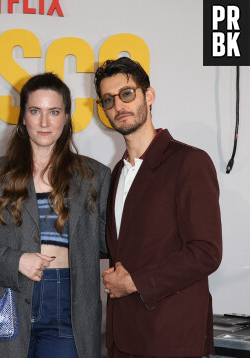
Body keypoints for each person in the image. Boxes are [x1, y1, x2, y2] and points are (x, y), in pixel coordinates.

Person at [0, 72, 111, 358]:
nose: (44, 122)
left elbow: (111, 242)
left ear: (67, 117)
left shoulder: (95, 176)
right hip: (4, 300)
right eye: (35, 111)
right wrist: (16, 260)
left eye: (54, 112)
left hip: (70, 305)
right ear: (23, 117)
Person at [95, 57, 222, 358]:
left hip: (171, 338)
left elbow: (206, 252)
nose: (118, 106)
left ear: (148, 96)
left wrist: (135, 281)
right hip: (123, 339)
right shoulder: (116, 173)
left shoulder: (189, 162)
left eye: (127, 94)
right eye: (108, 100)